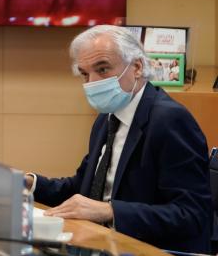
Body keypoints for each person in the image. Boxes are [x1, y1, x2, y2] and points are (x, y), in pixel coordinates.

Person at [28, 25, 211, 253]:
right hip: (99, 242)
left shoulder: (170, 120)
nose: (92, 82)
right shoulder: (106, 118)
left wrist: (110, 211)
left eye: (102, 69)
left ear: (137, 67)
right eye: (85, 74)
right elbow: (84, 188)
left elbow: (191, 215)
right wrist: (30, 184)